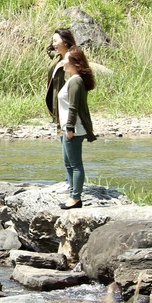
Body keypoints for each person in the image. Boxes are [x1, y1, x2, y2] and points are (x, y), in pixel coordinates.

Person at [58, 46, 97, 209]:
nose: (63, 62)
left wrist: (69, 128)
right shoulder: (73, 79)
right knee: (68, 163)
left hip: (73, 129)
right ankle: (72, 195)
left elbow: (73, 107)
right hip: (68, 128)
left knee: (75, 164)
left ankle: (76, 198)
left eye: (66, 60)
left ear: (74, 63)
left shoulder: (75, 81)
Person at [45, 27, 76, 128]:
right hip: (57, 105)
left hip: (66, 108)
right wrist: (56, 36)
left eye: (55, 41)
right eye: (52, 41)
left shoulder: (71, 60)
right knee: (61, 137)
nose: (53, 44)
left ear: (65, 42)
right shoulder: (58, 57)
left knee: (67, 137)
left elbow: (74, 88)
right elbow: (48, 49)